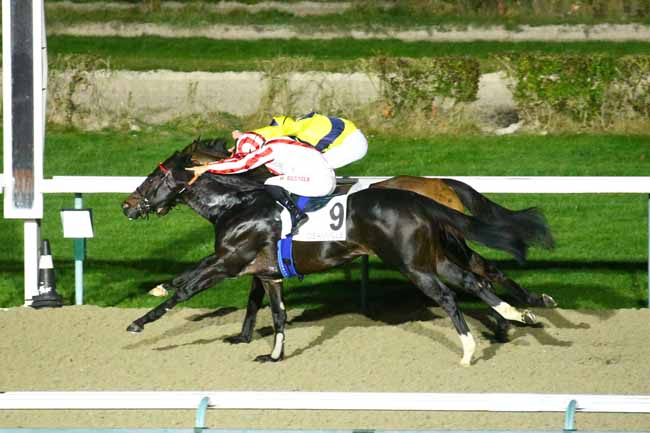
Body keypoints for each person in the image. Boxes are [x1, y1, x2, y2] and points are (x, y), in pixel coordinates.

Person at [187, 132, 336, 236]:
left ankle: (297, 215)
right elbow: (251, 143)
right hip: (327, 177)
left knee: (271, 182)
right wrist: (241, 137)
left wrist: (207, 167)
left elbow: (242, 164)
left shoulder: (268, 151)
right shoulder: (278, 140)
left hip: (318, 183)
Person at [231, 112, 368, 170]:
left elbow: (275, 132)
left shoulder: (297, 128)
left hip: (352, 144)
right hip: (351, 139)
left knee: (311, 170)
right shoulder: (301, 127)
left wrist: (247, 136)